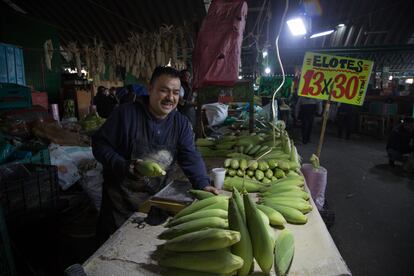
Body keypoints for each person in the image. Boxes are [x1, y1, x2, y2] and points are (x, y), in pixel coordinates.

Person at [92, 66, 218, 244]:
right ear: (150, 89)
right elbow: (99, 145)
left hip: (156, 199)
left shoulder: (180, 123)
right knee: (112, 249)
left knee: (146, 246)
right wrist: (121, 164)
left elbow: (190, 156)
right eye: (164, 90)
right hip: (120, 201)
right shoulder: (126, 114)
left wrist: (203, 183)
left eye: (175, 92)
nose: (170, 98)